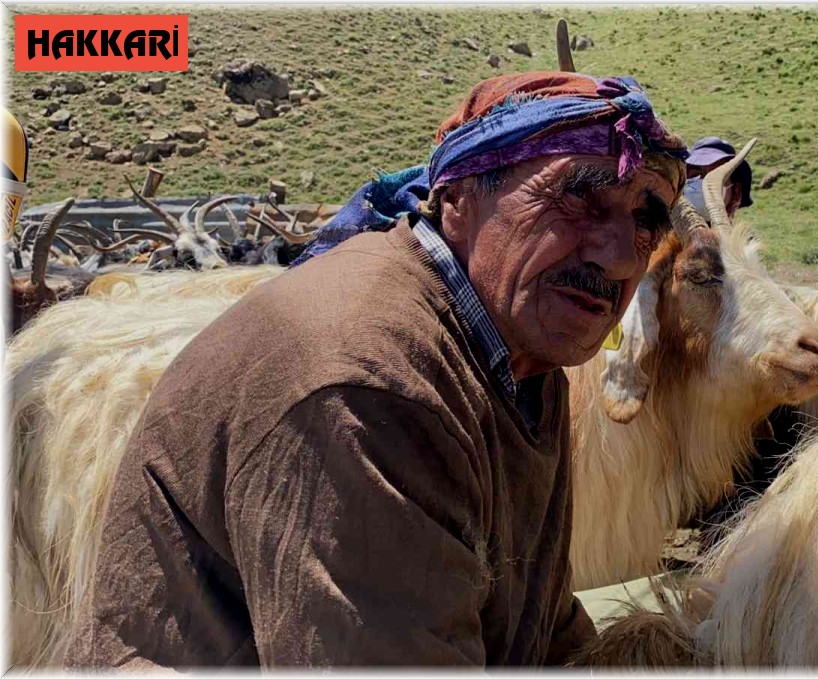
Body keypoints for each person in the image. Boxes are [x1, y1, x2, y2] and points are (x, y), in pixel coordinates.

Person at [65, 72, 688, 668]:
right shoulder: (371, 388)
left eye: (646, 219)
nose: (613, 254)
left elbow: (537, 629)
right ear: (458, 198)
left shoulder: (524, 356)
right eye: (577, 195)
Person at [680, 136, 753, 220]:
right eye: (695, 175)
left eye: (715, 177)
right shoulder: (665, 231)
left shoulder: (739, 233)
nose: (704, 183)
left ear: (736, 194)